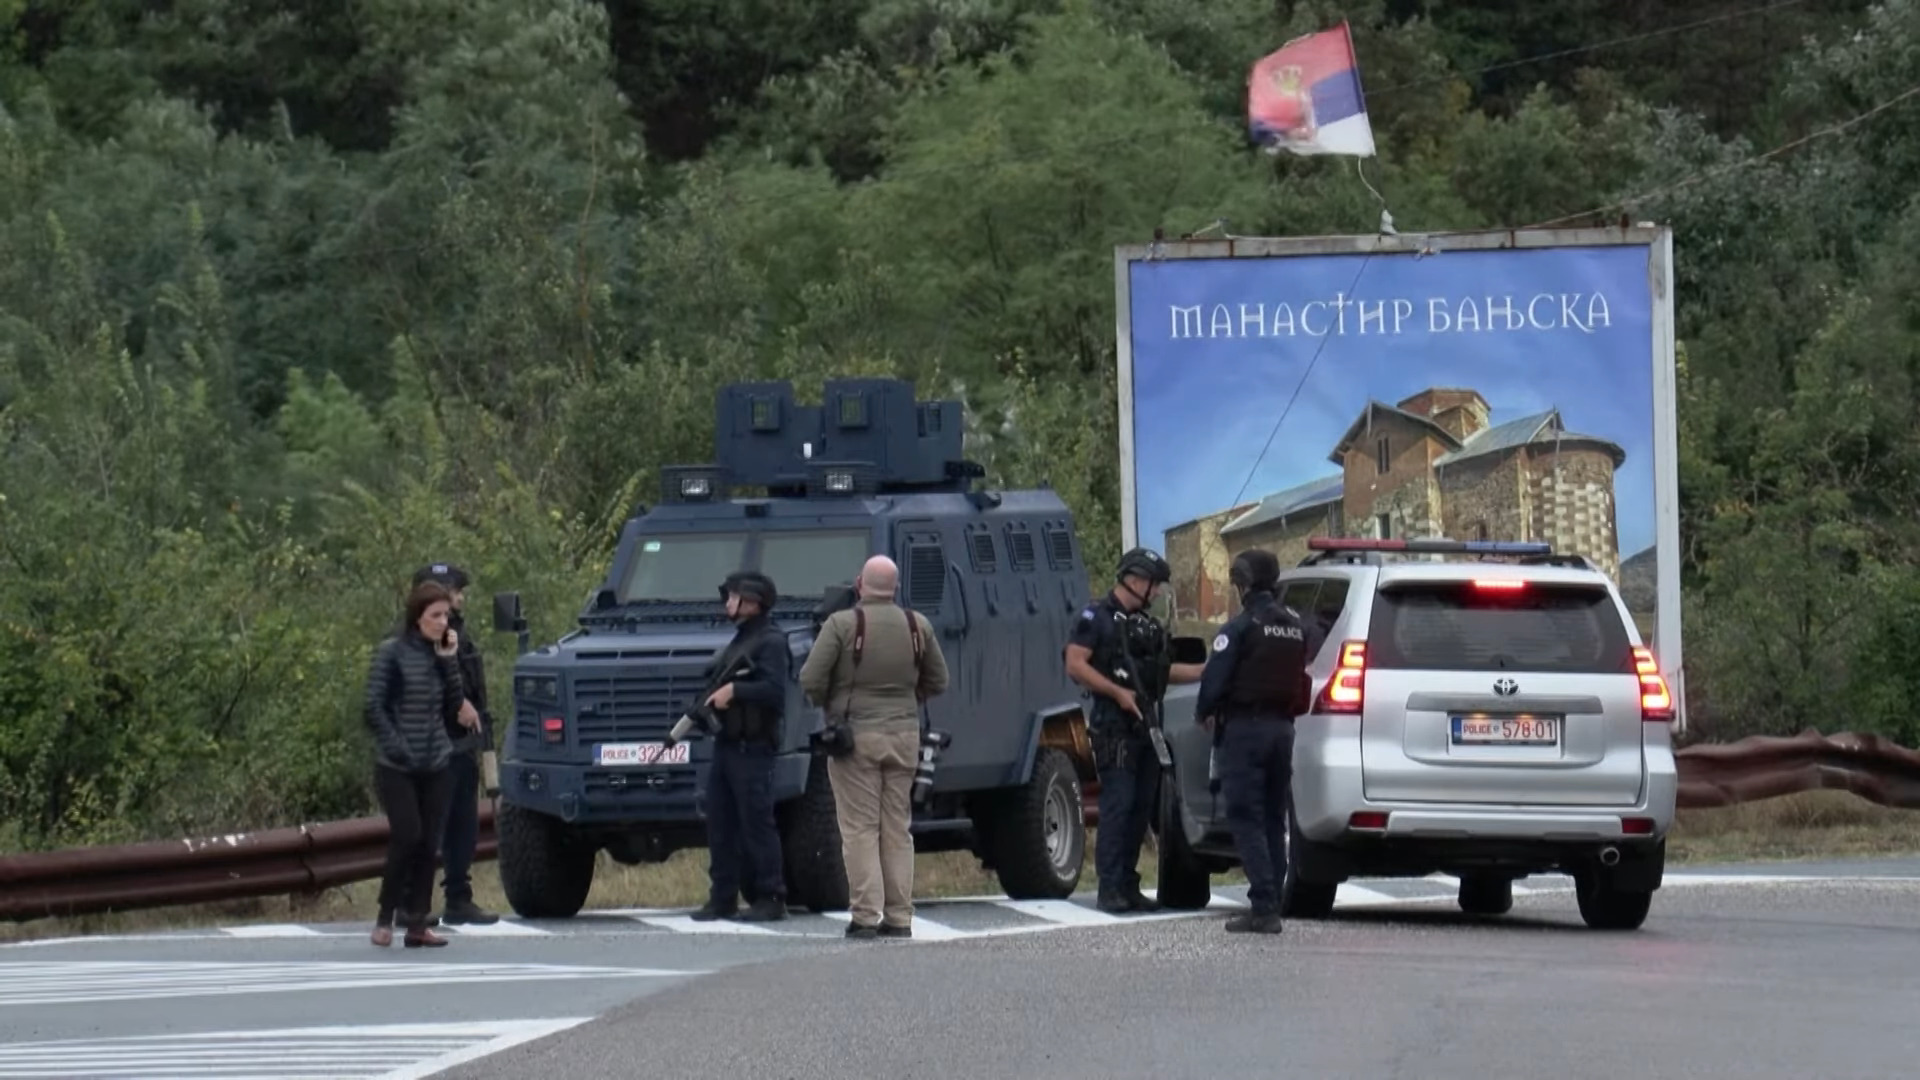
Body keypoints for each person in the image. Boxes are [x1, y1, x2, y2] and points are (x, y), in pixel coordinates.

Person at [799, 555, 950, 939]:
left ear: (859, 584)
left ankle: (866, 914)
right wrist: (907, 698)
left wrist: (832, 703)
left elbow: (810, 679)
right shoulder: (918, 625)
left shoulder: (842, 624)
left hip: (856, 737)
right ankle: (900, 916)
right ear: (895, 588)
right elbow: (938, 680)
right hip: (905, 735)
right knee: (897, 828)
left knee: (860, 828)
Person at [1064, 547, 1205, 913]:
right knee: (1119, 805)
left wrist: (1207, 671)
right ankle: (1109, 888)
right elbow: (1075, 663)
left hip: (1147, 727)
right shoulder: (1096, 617)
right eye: (1154, 585)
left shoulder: (1145, 625)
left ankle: (1128, 885)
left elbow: (1164, 670)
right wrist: (1116, 693)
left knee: (1141, 809)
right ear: (1136, 580)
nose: (1156, 593)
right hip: (1114, 727)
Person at [1193, 549, 1320, 935]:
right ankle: (1273, 901)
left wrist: (1205, 712)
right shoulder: (1298, 626)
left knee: (1246, 817)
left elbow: (1215, 679)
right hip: (1283, 729)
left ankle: (1263, 907)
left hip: (1246, 730)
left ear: (1243, 583)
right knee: (1271, 817)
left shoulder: (1240, 627)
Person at [363, 579, 473, 948]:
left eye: (447, 615)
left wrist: (449, 662)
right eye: (436, 615)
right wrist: (396, 746)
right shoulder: (392, 652)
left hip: (436, 760)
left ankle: (417, 922)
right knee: (407, 835)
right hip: (397, 764)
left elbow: (454, 706)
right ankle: (385, 915)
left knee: (430, 843)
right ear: (418, 617)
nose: (443, 622)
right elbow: (373, 707)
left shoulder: (441, 655)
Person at [690, 571, 792, 923]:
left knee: (756, 823)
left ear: (752, 601)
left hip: (753, 746)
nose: (727, 603)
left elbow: (775, 692)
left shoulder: (772, 642)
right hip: (728, 745)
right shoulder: (740, 640)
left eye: (733, 596)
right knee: (719, 822)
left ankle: (771, 895)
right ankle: (722, 896)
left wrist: (734, 692)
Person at [411, 563, 500, 928]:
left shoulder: (457, 633)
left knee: (463, 824)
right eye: (455, 591)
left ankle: (458, 898)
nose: (461, 599)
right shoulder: (420, 637)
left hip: (461, 745)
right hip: (434, 744)